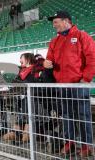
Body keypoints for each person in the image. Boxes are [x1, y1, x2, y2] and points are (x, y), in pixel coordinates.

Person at [44, 11, 95, 157]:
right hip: (62, 86)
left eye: (56, 22)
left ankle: (86, 146)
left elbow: (92, 59)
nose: (54, 25)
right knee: (66, 116)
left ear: (66, 21)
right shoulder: (54, 41)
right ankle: (69, 143)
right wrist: (47, 64)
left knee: (83, 115)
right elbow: (49, 60)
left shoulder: (82, 36)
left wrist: (85, 79)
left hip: (79, 85)